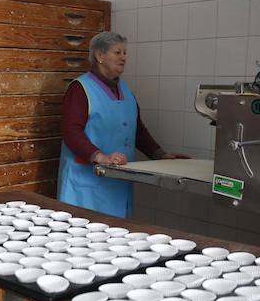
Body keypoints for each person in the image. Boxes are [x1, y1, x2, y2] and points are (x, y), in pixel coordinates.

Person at [57, 31, 188, 217]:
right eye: (117, 53)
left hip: (117, 182)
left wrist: (160, 154)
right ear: (100, 56)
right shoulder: (80, 89)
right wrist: (99, 156)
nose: (123, 58)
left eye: (125, 53)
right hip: (87, 183)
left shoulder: (124, 89)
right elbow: (70, 131)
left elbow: (138, 130)